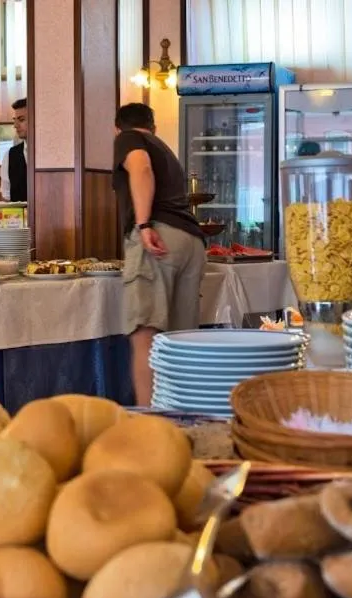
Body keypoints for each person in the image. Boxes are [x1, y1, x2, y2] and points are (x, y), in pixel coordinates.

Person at [113, 103, 206, 407]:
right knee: (179, 343)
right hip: (191, 242)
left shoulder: (128, 139)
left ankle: (148, 423)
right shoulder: (165, 148)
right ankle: (183, 419)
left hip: (160, 237)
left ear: (118, 127)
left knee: (146, 338)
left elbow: (140, 168)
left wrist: (143, 224)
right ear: (153, 126)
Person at [0, 98, 28, 202]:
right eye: (15, 120)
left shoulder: (49, 155)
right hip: (17, 217)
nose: (15, 125)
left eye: (21, 120)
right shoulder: (9, 155)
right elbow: (6, 195)